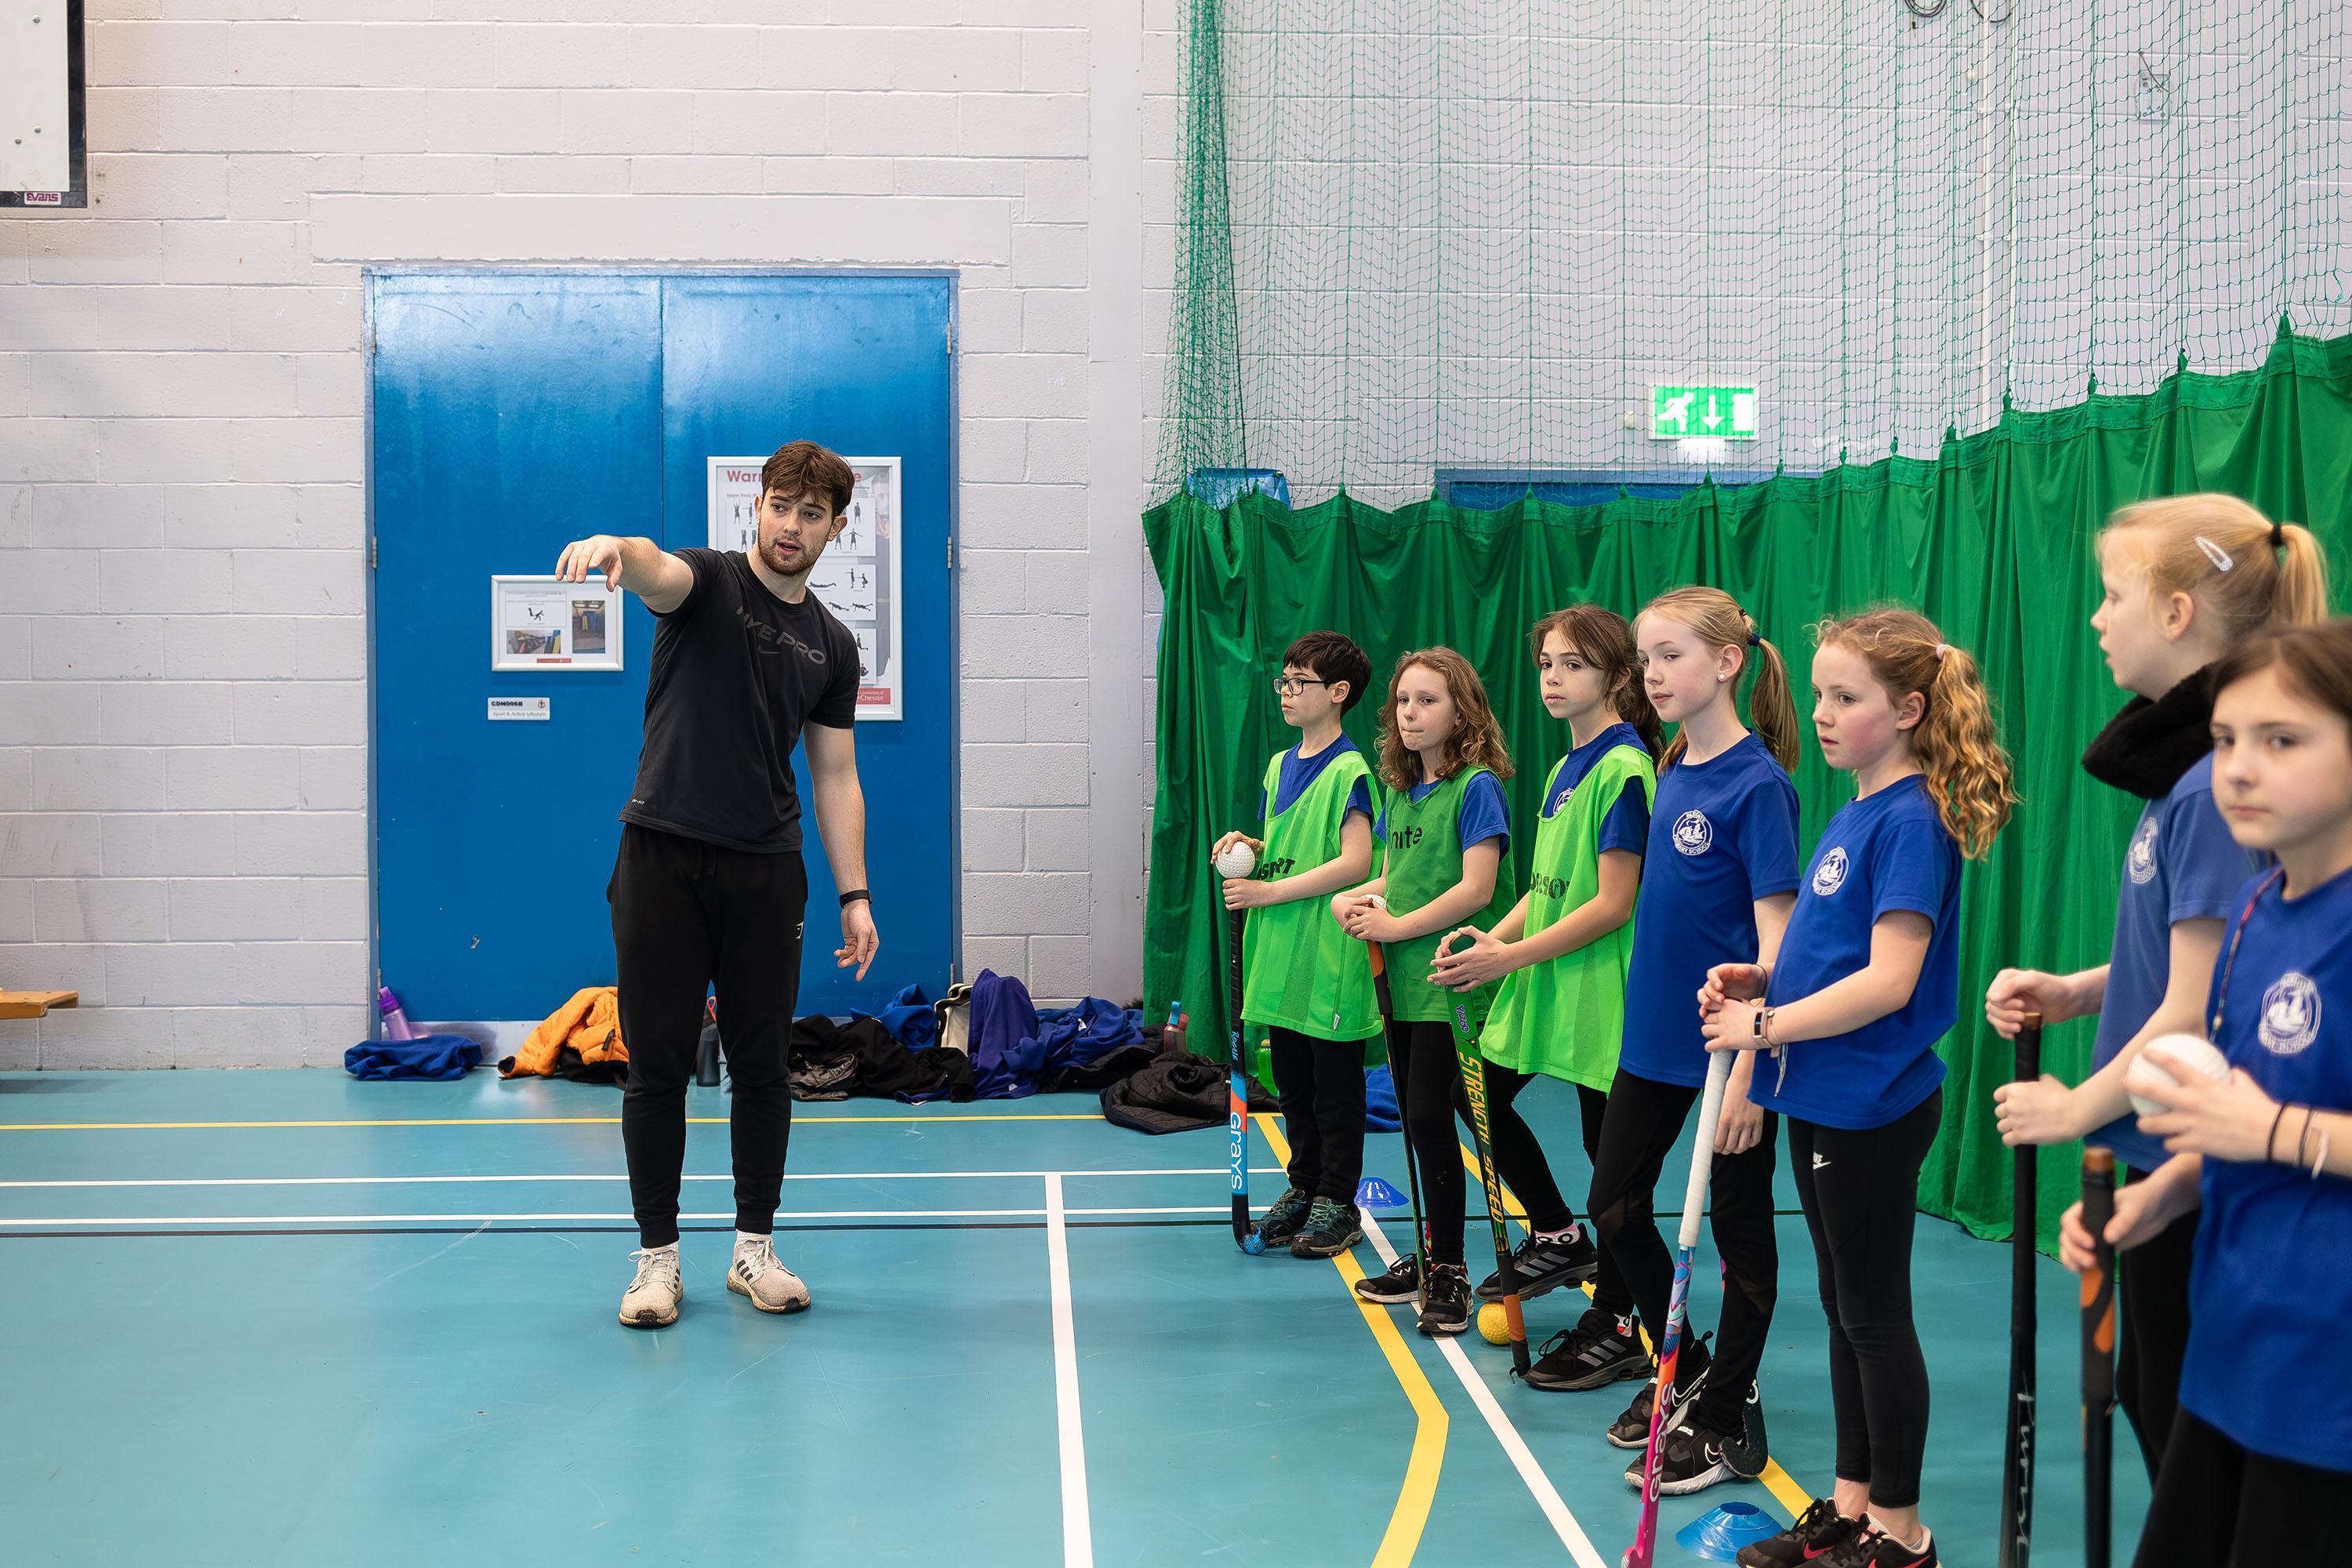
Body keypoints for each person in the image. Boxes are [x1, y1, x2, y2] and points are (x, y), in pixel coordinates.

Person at [1986, 495, 2326, 1472]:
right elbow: (2186, 964)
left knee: (2184, 1414)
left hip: (2199, 1146)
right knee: (2150, 1387)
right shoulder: (2181, 783)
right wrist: (2079, 990)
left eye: (2112, 595)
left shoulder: (2213, 794)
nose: (2096, 618)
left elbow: (2198, 1006)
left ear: (2177, 614)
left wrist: (2074, 1106)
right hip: (2163, 1146)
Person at [1711, 608, 2016, 1568]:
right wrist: (1768, 982)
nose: (1823, 713)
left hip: (1872, 1101)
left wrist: (1763, 1028)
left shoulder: (1914, 817)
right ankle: (1848, 1507)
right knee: (1844, 1306)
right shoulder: (1854, 809)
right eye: (1820, 693)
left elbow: (1891, 978)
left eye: (1847, 697)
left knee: (1874, 1313)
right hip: (1822, 1091)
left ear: (1911, 707)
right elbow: (1835, 952)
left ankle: (1903, 1530)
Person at [555, 438, 881, 1330]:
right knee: (655, 1065)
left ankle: (752, 1248)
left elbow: (836, 774)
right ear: (759, 506)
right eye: (781, 505)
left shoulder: (833, 644)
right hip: (661, 853)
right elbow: (656, 569)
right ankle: (656, 1260)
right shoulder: (707, 583)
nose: (791, 525)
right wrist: (616, 552)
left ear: (835, 528)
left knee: (764, 1067)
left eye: (811, 514)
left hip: (766, 870)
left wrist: (854, 893)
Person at [2063, 619, 2352, 1566]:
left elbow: (2261, 1120)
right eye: (2225, 739)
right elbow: (2233, 1118)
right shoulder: (2260, 908)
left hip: (2329, 1385)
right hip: (2234, 1346)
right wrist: (2159, 1195)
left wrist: (2268, 1128)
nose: (2237, 767)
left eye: (2283, 740)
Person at [1586, 586, 1802, 1494]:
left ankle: (1722, 1409)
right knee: (1616, 1206)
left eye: (1670, 654)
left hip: (1728, 1051)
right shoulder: (1673, 763)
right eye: (1646, 657)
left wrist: (1754, 1065)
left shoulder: (1761, 786)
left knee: (1740, 1231)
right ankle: (1703, 1370)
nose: (1652, 673)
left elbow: (1777, 942)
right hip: (1652, 1040)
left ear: (1727, 661)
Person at [1427, 607, 1656, 1369]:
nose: (1555, 678)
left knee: (1613, 1170)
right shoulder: (1564, 768)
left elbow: (1612, 902)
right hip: (1547, 980)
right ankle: (1557, 1232)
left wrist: (1510, 956)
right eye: (1548, 663)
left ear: (1619, 677)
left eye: (1575, 665)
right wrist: (1501, 937)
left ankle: (1618, 1323)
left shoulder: (1627, 770)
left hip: (1604, 994)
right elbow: (1548, 883)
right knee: (1477, 1092)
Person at [1336, 647, 1516, 1335]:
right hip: (1401, 984)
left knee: (1432, 1117)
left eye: (1428, 701)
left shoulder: (1476, 788)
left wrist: (1397, 922)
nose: (1411, 714)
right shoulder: (1399, 791)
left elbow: (1476, 887)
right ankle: (1430, 1252)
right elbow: (1395, 877)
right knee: (1416, 1123)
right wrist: (1356, 900)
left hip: (1450, 982)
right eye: (1404, 702)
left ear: (1461, 710)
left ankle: (1451, 1271)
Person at [1212, 630, 1381, 1259]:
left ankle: (1339, 1198)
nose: (1285, 691)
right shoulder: (1281, 765)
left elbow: (1355, 862)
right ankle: (1304, 1186)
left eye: (1298, 682)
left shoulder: (1351, 771)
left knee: (1335, 1089)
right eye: (1282, 680)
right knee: (1293, 1085)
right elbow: (1293, 846)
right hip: (1281, 953)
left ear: (1337, 693)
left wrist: (1267, 893)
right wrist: (1253, 851)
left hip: (1328, 954)